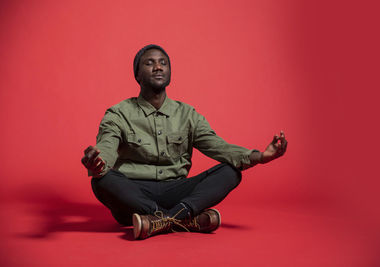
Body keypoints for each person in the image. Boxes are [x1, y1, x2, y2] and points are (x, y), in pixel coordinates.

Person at [81, 44, 288, 240]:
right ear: (137, 75)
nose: (158, 66)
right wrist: (99, 162)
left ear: (170, 72)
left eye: (163, 62)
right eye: (150, 63)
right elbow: (106, 146)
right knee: (101, 180)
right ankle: (186, 221)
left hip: (175, 191)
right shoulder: (118, 113)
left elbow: (219, 147)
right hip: (134, 198)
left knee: (230, 171)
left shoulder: (188, 114)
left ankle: (161, 220)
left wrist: (260, 157)